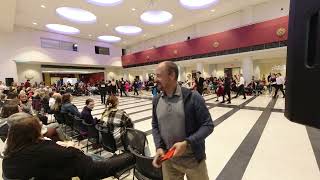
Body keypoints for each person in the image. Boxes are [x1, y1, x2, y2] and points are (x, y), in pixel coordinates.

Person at [2, 115, 135, 180]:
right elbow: (94, 171)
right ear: (36, 132)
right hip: (84, 166)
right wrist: (131, 155)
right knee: (97, 159)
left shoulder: (9, 158)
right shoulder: (61, 153)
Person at [152, 61, 214, 180]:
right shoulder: (156, 100)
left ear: (172, 75)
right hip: (168, 161)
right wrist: (159, 147)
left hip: (193, 161)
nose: (155, 79)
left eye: (159, 75)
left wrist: (187, 143)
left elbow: (208, 125)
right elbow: (155, 125)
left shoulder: (193, 97)